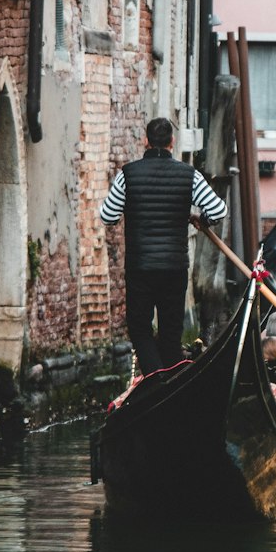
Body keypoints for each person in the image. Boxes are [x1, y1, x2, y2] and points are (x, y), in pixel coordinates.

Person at [100, 118, 227, 375]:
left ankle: (155, 380)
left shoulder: (128, 174)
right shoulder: (188, 174)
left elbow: (108, 216)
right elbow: (218, 210)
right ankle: (169, 383)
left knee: (139, 329)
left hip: (141, 267)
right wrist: (202, 220)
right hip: (174, 267)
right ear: (172, 142)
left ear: (145, 141)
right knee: (171, 332)